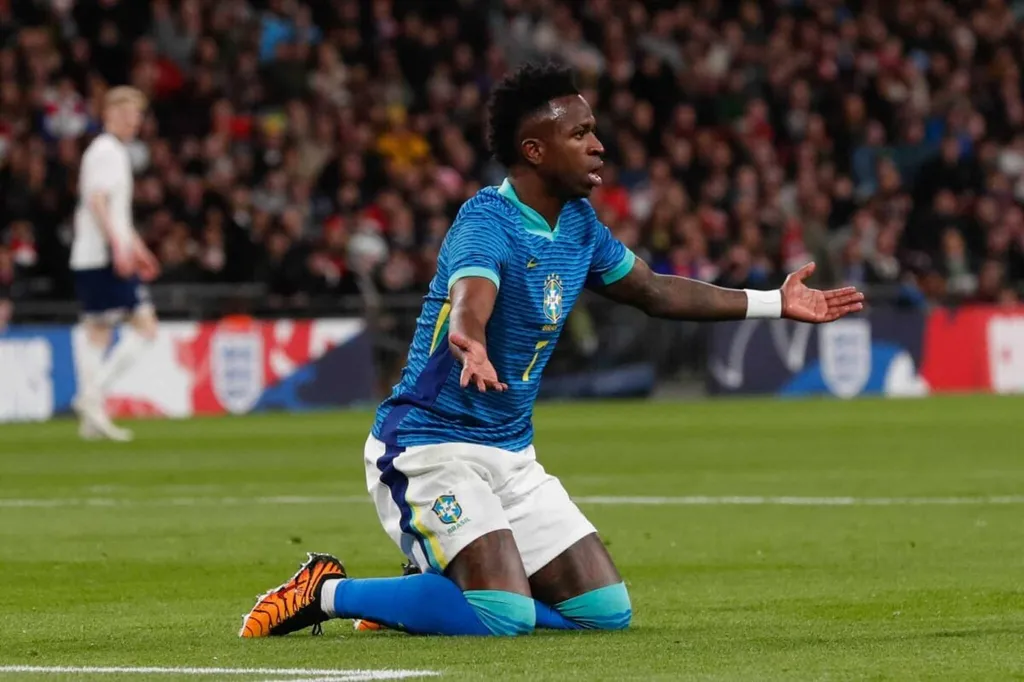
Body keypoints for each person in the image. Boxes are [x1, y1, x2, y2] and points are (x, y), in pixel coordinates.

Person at [240, 63, 864, 639]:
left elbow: (652, 291)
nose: (599, 146)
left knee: (604, 612)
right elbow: (470, 294)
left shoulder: (580, 224)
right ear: (534, 151)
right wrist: (470, 338)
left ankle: (430, 600)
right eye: (582, 134)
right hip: (428, 446)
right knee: (503, 615)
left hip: (511, 452)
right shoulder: (487, 220)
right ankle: (328, 591)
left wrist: (774, 302)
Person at [70, 86, 161, 441]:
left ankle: (91, 420)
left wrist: (138, 248)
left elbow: (117, 213)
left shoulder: (109, 151)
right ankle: (92, 397)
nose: (133, 122)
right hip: (103, 256)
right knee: (146, 327)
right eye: (126, 115)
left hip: (94, 255)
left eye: (136, 115)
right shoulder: (107, 151)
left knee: (97, 332)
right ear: (108, 115)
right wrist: (120, 249)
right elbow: (97, 202)